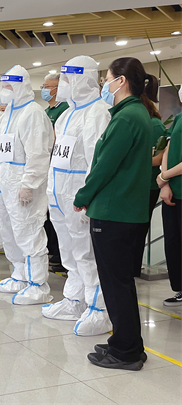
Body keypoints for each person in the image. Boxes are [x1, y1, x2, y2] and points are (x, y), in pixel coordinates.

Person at [74, 57, 157, 370]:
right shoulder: (136, 113)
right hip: (125, 209)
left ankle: (125, 351)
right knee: (120, 281)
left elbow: (105, 165)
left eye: (106, 78)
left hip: (114, 211)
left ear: (121, 81)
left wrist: (83, 196)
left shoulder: (126, 118)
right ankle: (127, 342)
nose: (103, 84)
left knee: (115, 283)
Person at [41, 56, 112, 336]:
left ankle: (98, 309)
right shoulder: (66, 115)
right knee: (70, 252)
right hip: (60, 196)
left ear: (83, 79)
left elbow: (97, 161)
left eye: (68, 79)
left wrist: (89, 198)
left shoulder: (98, 113)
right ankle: (74, 300)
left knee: (87, 254)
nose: (63, 85)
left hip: (79, 197)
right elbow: (58, 158)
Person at [0, 65, 54, 305]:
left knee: (29, 232)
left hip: (22, 186)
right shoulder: (7, 114)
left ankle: (38, 285)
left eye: (9, 85)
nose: (5, 90)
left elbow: (38, 152)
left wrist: (29, 183)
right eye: (3, 86)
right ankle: (20, 275)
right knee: (10, 232)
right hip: (4, 185)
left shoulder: (32, 113)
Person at [134, 96, 166, 277]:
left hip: (148, 185)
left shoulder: (154, 125)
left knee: (139, 227)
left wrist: (133, 158)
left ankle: (133, 266)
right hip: (135, 182)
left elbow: (158, 157)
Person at [157, 87, 182, 306]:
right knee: (173, 242)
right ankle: (180, 288)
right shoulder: (179, 119)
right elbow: (168, 146)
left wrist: (166, 175)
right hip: (172, 191)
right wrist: (164, 181)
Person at [42, 72, 68, 271]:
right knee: (49, 213)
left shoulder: (65, 110)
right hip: (46, 167)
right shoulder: (46, 111)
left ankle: (60, 255)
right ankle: (52, 250)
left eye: (47, 86)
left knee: (60, 214)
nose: (44, 90)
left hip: (61, 168)